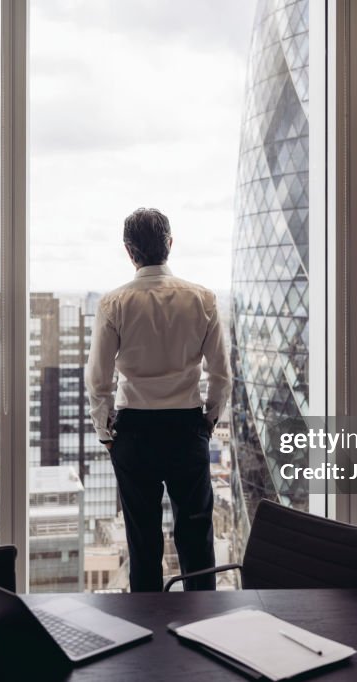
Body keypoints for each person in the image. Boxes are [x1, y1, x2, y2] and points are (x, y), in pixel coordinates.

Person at [85, 207, 232, 592]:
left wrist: (105, 433)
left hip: (134, 430)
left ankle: (147, 631)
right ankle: (204, 623)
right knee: (197, 534)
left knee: (142, 539)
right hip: (186, 426)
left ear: (128, 251)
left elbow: (98, 379)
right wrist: (209, 422)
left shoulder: (113, 303)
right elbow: (221, 374)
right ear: (169, 244)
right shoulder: (202, 299)